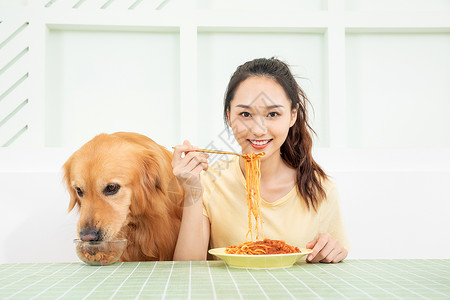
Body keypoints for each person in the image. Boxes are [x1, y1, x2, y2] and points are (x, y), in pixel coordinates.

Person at [172, 57, 350, 263]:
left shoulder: (321, 189)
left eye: (273, 114)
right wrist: (192, 192)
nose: (258, 130)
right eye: (245, 114)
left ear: (292, 115)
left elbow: (333, 259)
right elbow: (187, 271)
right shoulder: (208, 182)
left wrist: (333, 251)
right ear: (229, 117)